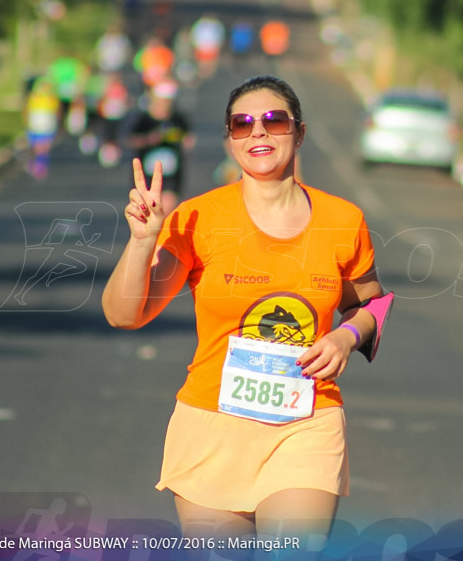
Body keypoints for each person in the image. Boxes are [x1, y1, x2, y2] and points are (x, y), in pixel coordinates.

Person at [102, 75, 390, 556]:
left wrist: (345, 338)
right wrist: (142, 241)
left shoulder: (343, 220)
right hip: (211, 426)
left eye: (274, 121)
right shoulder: (197, 219)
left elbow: (371, 303)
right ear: (230, 139)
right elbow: (123, 314)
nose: (258, 133)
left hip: (306, 423)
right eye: (242, 124)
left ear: (298, 133)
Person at [125, 78, 194, 213]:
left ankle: (164, 231)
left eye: (168, 100)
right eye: (162, 99)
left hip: (171, 172)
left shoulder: (178, 119)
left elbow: (188, 139)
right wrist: (149, 140)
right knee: (147, 211)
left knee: (166, 207)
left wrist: (183, 141)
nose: (165, 103)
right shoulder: (143, 120)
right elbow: (130, 139)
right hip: (147, 172)